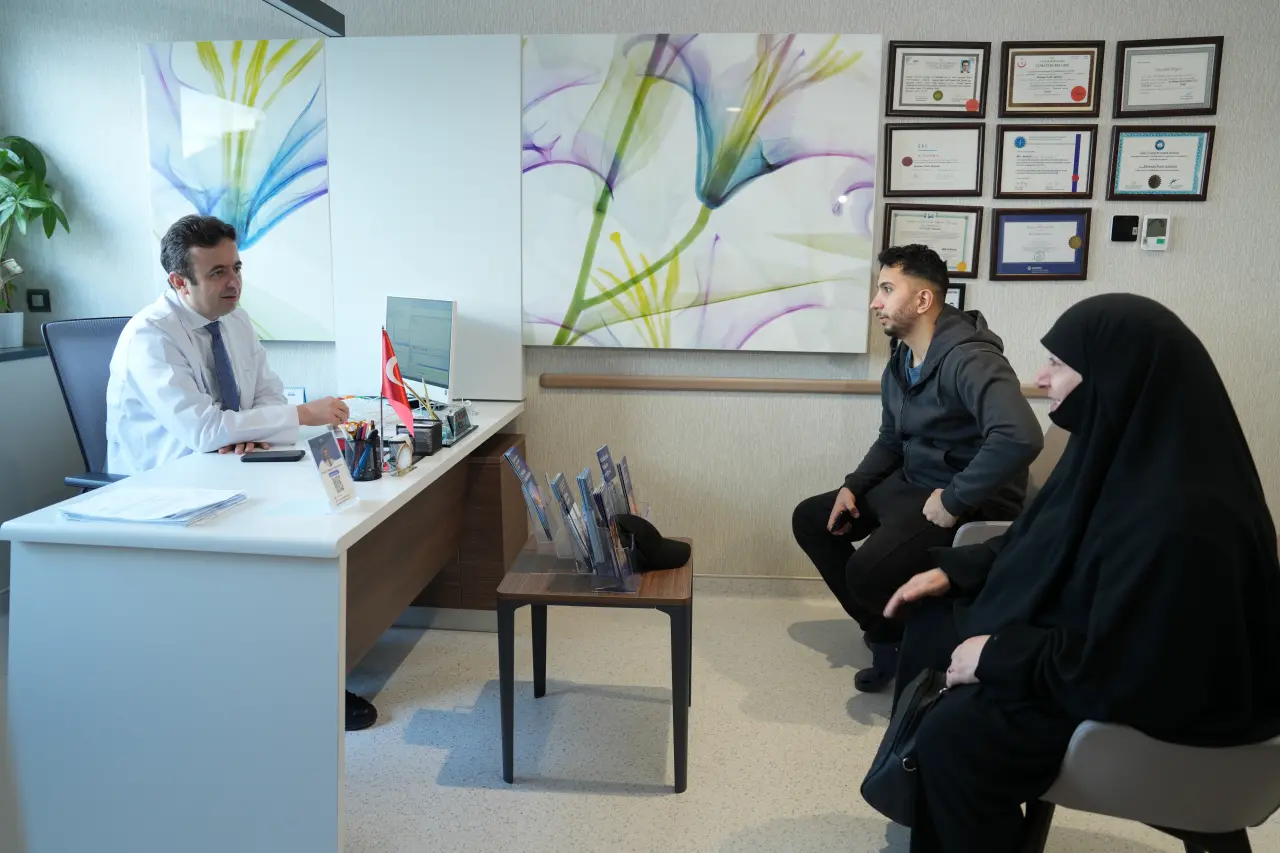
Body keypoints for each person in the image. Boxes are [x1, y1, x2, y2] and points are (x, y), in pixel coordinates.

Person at [881, 294, 1280, 853]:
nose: (1041, 378)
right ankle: (927, 804)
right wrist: (961, 570)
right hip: (1100, 652)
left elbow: (1141, 663)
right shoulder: (1117, 448)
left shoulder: (1185, 514)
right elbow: (1044, 537)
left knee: (957, 734)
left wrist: (996, 655)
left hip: (1165, 702)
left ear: (1115, 376)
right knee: (931, 620)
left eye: (1059, 364)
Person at [105, 214, 379, 732]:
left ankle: (309, 676)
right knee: (284, 555)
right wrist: (294, 417)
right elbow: (203, 430)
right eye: (217, 273)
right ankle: (297, 686)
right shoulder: (151, 337)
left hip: (230, 471)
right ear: (179, 281)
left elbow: (268, 397)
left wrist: (254, 430)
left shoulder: (236, 320)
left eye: (236, 268)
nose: (233, 282)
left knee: (315, 535)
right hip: (164, 491)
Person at [792, 245, 1042, 692]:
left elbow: (1019, 436)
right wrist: (854, 486)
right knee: (812, 518)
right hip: (914, 482)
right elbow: (892, 438)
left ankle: (914, 638)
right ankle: (888, 635)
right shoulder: (902, 359)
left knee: (866, 574)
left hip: (962, 497)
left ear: (923, 299)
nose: (875, 302)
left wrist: (955, 499)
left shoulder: (972, 359)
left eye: (887, 289)